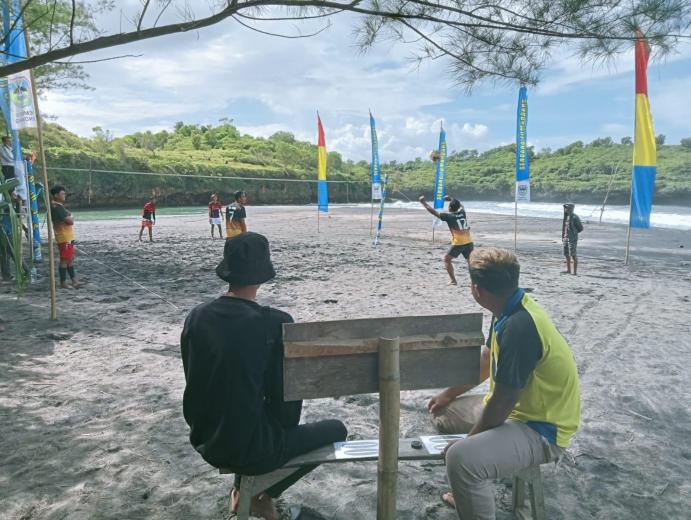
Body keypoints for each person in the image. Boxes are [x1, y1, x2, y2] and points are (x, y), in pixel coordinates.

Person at [181, 232, 347, 520]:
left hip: (205, 439)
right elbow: (287, 404)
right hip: (251, 449)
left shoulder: (196, 316)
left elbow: (195, 381)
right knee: (337, 430)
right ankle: (263, 495)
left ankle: (242, 491)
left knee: (248, 414)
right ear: (261, 276)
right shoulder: (276, 323)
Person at [434, 247, 580, 519]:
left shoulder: (519, 327)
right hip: (518, 411)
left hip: (542, 429)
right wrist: (448, 394)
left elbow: (503, 402)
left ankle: (471, 477)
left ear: (476, 290)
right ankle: (471, 489)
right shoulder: (506, 306)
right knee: (443, 413)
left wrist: (469, 441)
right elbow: (487, 358)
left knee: (461, 459)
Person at [419, 194, 474, 285]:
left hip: (458, 243)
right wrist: (451, 199)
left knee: (447, 259)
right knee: (470, 262)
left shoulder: (449, 216)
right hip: (469, 241)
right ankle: (475, 281)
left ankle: (453, 281)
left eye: (449, 206)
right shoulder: (462, 213)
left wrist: (423, 203)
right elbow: (461, 206)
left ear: (450, 208)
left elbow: (433, 212)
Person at [50, 185, 80, 289]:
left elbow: (68, 217)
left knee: (70, 258)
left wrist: (69, 216)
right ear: (56, 195)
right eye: (62, 194)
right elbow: (70, 221)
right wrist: (71, 216)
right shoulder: (57, 207)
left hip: (67, 237)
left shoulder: (58, 206)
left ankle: (74, 280)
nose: (64, 195)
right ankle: (63, 282)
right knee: (65, 259)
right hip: (64, 237)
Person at [562, 203, 583, 275]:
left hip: (572, 239)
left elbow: (581, 228)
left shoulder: (575, 217)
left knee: (573, 255)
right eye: (565, 208)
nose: (566, 209)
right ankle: (568, 270)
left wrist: (574, 233)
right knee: (566, 254)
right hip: (566, 238)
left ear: (571, 209)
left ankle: (575, 272)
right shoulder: (566, 216)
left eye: (567, 208)